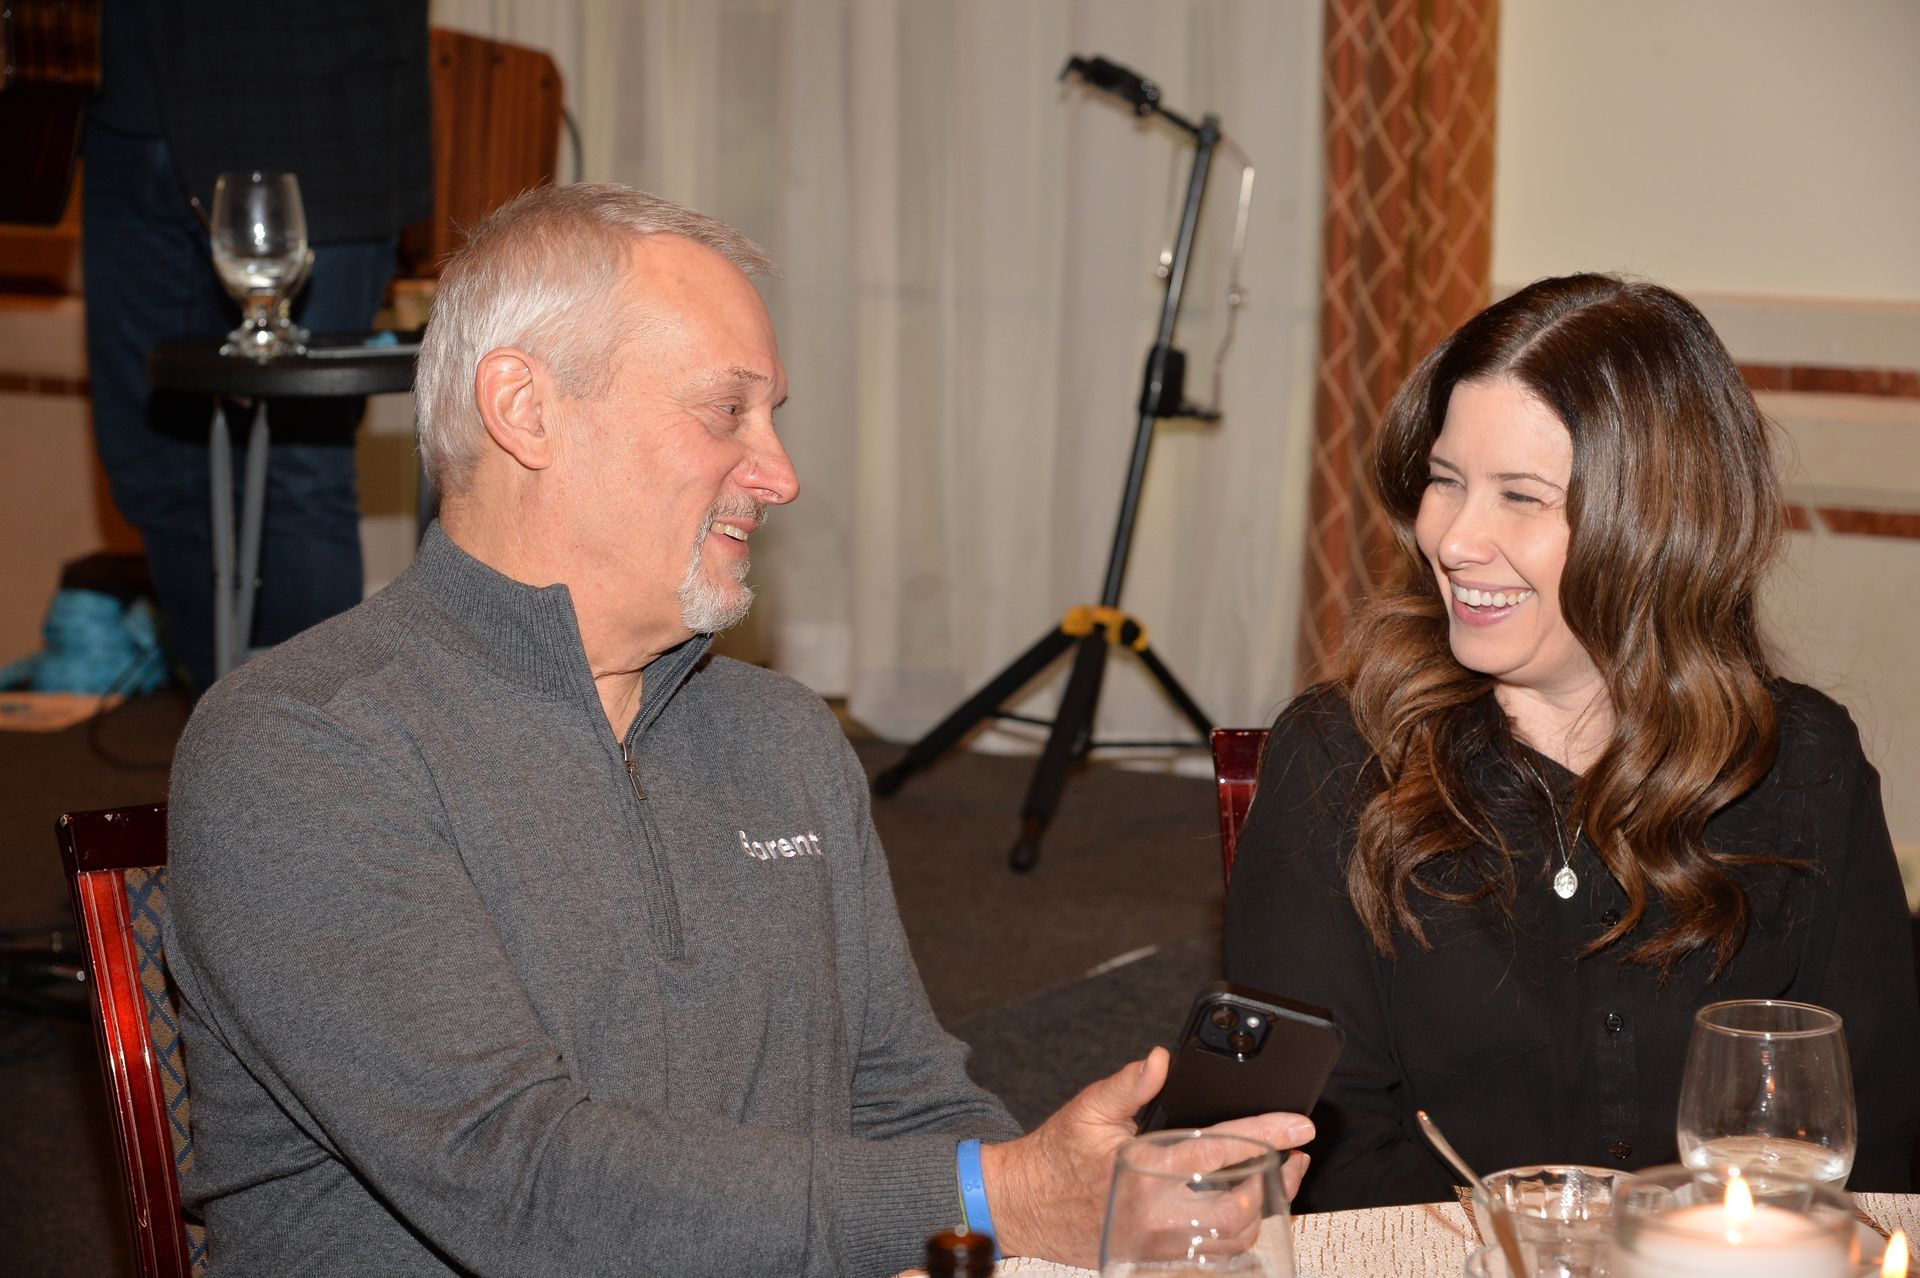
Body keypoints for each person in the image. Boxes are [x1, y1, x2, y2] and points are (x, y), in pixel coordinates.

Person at [163, 184, 1312, 1276]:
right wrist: (999, 1192)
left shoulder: (778, 734)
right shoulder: (304, 747)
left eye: (773, 417)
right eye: (727, 411)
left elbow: (908, 1101)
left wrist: (1069, 1191)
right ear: (524, 409)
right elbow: (520, 1185)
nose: (781, 473)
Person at [1224, 274, 1920, 1212]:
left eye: (1520, 496)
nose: (1455, 539)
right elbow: (1321, 1155)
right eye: (1444, 480)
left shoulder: (1803, 766)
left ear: (1661, 527)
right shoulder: (1341, 756)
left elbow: (1866, 1139)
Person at [83, 0, 433, 691]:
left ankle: (308, 770)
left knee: (297, 470)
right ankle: (230, 743)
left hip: (305, 92)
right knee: (152, 461)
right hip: (120, 106)